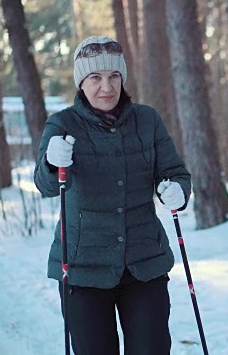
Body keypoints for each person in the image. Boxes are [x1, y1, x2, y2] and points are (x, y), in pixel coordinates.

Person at [33, 35, 191, 354]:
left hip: (143, 263)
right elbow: (45, 185)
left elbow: (175, 173)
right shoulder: (62, 124)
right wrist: (52, 162)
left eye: (113, 76)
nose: (106, 87)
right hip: (83, 267)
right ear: (81, 81)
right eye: (95, 77)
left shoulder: (147, 121)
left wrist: (177, 191)